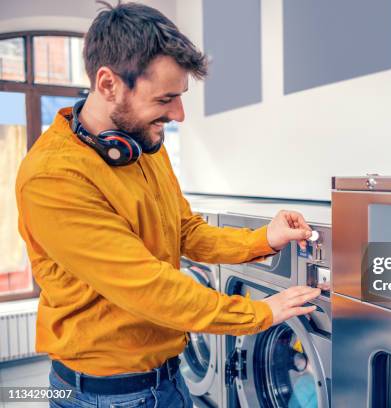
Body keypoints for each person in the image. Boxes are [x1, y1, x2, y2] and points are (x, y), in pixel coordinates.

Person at [15, 2, 320, 407]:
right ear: (108, 84)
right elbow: (150, 288)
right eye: (166, 99)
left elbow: (185, 230)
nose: (179, 114)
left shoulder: (141, 144)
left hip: (168, 378)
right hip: (108, 396)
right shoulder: (54, 178)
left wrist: (265, 238)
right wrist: (258, 314)